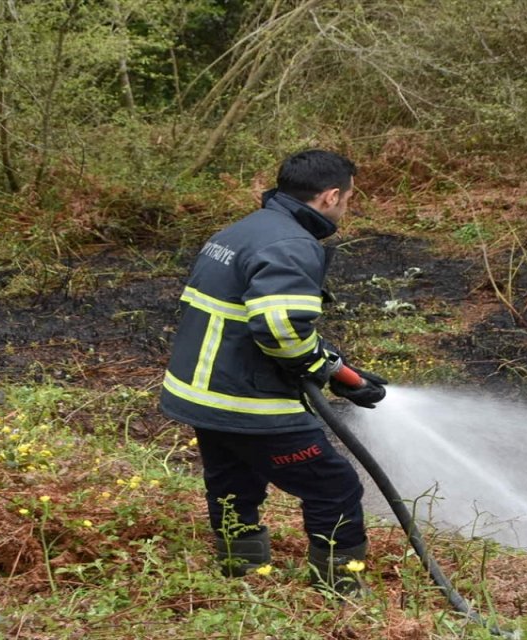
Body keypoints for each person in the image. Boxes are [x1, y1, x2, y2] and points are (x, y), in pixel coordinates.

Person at [160, 149, 388, 594]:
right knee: (333, 486)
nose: (346, 208)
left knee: (233, 483)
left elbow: (256, 316)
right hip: (245, 399)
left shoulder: (243, 230)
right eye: (348, 199)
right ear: (331, 196)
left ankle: (240, 575)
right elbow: (281, 329)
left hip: (202, 393)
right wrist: (322, 368)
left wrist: (340, 372)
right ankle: (341, 587)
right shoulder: (292, 244)